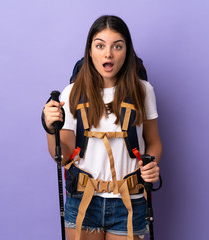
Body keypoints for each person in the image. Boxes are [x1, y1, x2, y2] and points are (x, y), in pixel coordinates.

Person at [43, 15, 162, 240]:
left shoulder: (143, 91)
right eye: (100, 46)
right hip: (83, 200)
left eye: (117, 46)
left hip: (129, 200)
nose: (108, 54)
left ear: (127, 51)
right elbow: (63, 156)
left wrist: (151, 164)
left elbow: (154, 142)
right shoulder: (72, 93)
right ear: (90, 51)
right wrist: (52, 130)